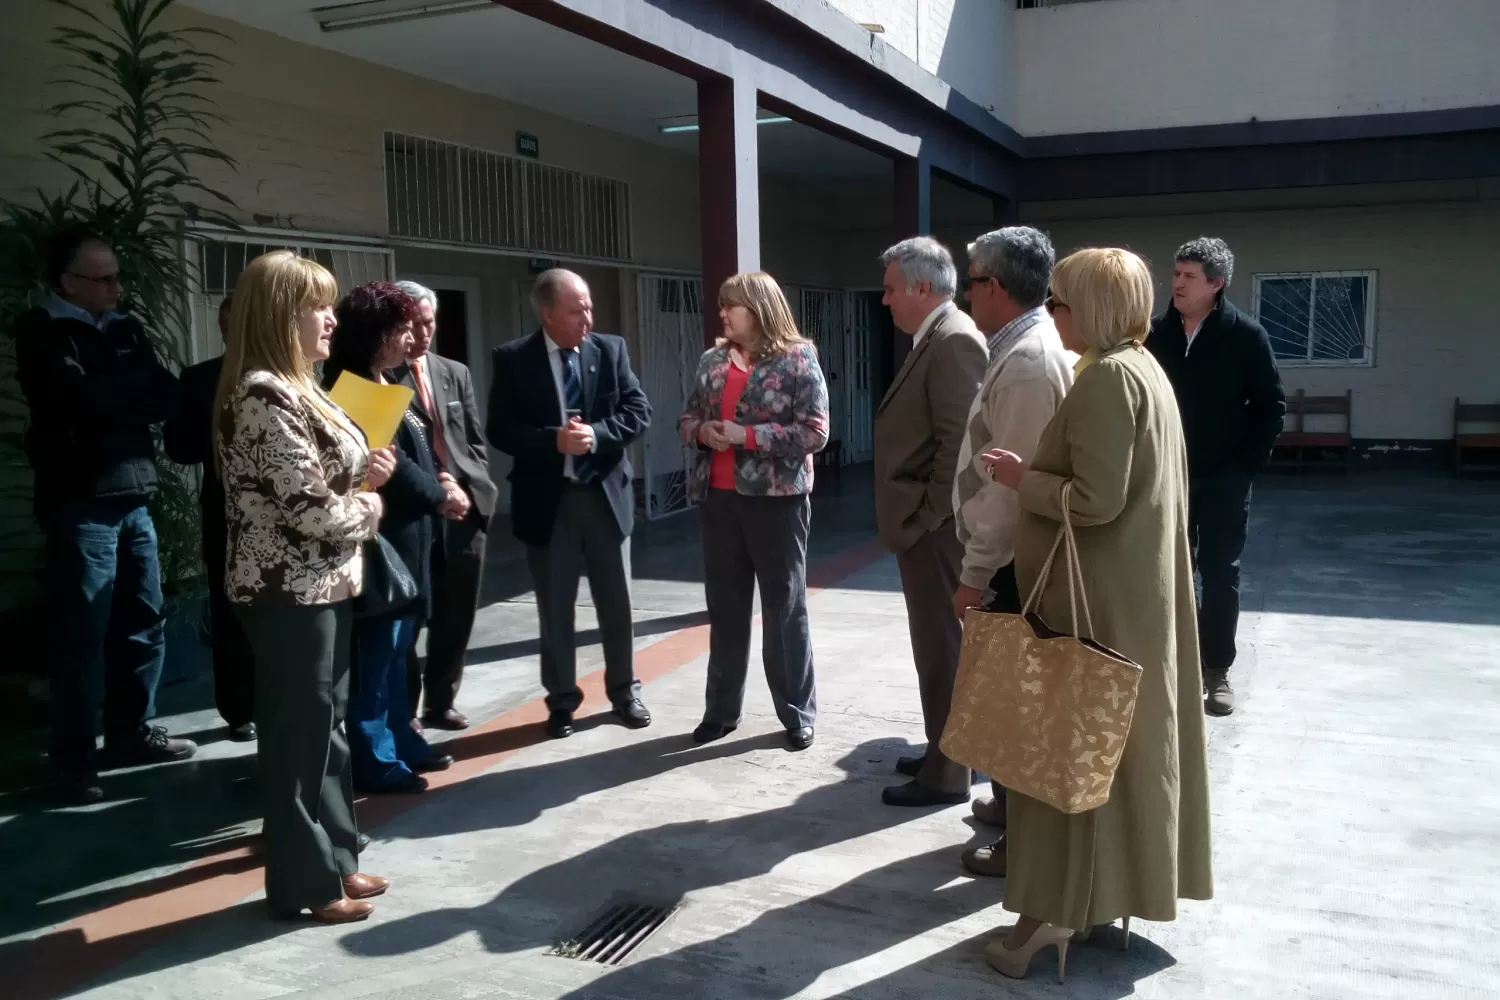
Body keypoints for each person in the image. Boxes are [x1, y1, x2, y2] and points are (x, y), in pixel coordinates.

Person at [980, 247, 1213, 981]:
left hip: (1094, 609)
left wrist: (1026, 480)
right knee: (1120, 760)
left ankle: (1047, 916)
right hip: (1129, 605)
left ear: (1095, 309)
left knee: (1066, 763)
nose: (1053, 313)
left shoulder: (1108, 378)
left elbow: (1096, 500)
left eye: (1063, 302)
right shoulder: (1145, 371)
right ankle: (1104, 900)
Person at [216, 250, 394, 923]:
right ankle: (304, 885)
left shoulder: (305, 384)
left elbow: (330, 479)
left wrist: (366, 473)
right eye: (317, 307)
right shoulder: (263, 391)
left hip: (324, 585)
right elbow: (311, 511)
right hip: (287, 592)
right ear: (281, 315)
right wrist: (372, 506)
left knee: (326, 734)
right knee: (296, 741)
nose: (330, 319)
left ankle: (338, 861)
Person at [15, 225, 196, 803]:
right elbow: (74, 400)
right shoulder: (42, 329)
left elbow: (166, 396)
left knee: (143, 621)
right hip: (79, 502)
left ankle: (129, 734)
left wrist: (114, 398)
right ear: (68, 281)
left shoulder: (125, 330)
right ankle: (73, 759)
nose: (118, 289)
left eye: (118, 277)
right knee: (82, 633)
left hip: (133, 496)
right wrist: (122, 398)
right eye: (105, 279)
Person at [950, 226, 1075, 877]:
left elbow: (1008, 487)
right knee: (1003, 699)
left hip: (1009, 566)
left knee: (1012, 705)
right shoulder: (1019, 349)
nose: (966, 292)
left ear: (995, 286)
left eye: (970, 281)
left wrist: (974, 574)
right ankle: (1008, 806)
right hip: (1006, 560)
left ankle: (1023, 838)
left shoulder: (1028, 363)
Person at [486, 269, 653, 740]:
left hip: (604, 497)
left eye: (589, 307)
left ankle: (624, 691)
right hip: (549, 502)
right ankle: (561, 701)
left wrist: (597, 435)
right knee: (555, 608)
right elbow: (499, 429)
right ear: (548, 314)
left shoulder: (610, 349)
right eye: (577, 310)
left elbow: (639, 412)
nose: (588, 318)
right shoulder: (514, 359)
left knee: (616, 605)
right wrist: (552, 441)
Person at [678, 272, 830, 753]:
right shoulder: (712, 361)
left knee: (784, 610)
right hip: (719, 500)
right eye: (722, 306)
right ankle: (721, 712)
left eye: (732, 306)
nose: (723, 314)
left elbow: (815, 432)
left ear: (760, 308)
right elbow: (687, 419)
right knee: (725, 610)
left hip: (777, 503)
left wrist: (748, 437)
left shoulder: (797, 359)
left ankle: (797, 712)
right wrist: (702, 433)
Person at [324, 281, 465, 794]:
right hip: (384, 544)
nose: (411, 339)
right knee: (377, 660)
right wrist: (439, 495)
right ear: (372, 335)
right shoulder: (353, 389)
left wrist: (442, 480)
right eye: (401, 330)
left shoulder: (385, 382)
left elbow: (418, 453)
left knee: (401, 652)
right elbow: (393, 465)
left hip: (412, 542)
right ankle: (376, 757)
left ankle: (403, 740)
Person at [1145, 237, 1286, 716]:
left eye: (1189, 276)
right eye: (1176, 273)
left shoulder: (1245, 335)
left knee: (1219, 574)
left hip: (1225, 477)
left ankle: (1216, 671)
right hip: (1168, 476)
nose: (1177, 283)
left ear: (1217, 284)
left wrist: (1245, 466)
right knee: (1169, 573)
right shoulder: (1155, 334)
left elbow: (1271, 406)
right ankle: (1173, 666)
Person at [872, 237, 988, 807]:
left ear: (922, 288)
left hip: (938, 532)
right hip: (929, 528)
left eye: (892, 288)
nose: (885, 299)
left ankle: (947, 774)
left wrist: (925, 517)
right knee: (936, 648)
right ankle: (944, 750)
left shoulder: (953, 340)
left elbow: (959, 445)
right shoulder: (936, 338)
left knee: (943, 649)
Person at [391, 280, 497, 732]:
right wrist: (435, 488)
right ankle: (406, 711)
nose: (423, 332)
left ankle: (441, 700)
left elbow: (472, 438)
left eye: (429, 322)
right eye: (413, 324)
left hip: (465, 509)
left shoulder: (453, 371)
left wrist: (474, 486)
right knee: (411, 616)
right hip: (416, 510)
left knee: (457, 612)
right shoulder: (378, 375)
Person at [163, 293, 256, 742]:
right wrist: (219, 433)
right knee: (228, 608)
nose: (228, 334)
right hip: (225, 511)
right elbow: (178, 447)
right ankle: (239, 710)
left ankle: (280, 697)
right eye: (223, 327)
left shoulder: (291, 376)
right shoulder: (199, 379)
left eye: (236, 325)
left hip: (282, 515)